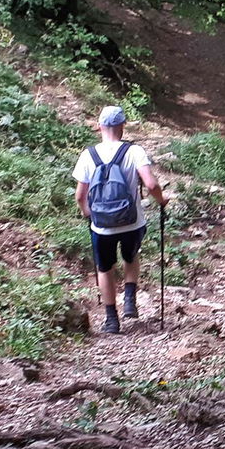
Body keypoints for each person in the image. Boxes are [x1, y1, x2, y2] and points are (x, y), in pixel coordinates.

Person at [73, 105, 166, 334]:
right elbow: (151, 184)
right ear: (122, 126)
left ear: (99, 126)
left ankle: (111, 320)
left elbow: (80, 196)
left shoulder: (88, 155)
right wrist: (162, 201)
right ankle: (130, 300)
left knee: (105, 268)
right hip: (132, 222)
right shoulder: (134, 151)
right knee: (131, 256)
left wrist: (88, 213)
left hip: (101, 225)